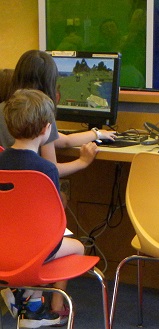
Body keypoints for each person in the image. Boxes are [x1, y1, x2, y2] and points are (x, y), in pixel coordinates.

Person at [0, 89, 86, 327]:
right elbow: (51, 222)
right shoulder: (46, 170)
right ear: (46, 129)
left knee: (31, 242)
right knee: (76, 247)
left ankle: (27, 298)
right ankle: (49, 308)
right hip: (33, 249)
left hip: (3, 246)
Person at [0, 50, 111, 178]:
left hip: (6, 194)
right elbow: (52, 169)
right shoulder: (42, 114)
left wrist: (97, 133)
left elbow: (65, 141)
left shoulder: (8, 109)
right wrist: (82, 162)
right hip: (34, 188)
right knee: (62, 197)